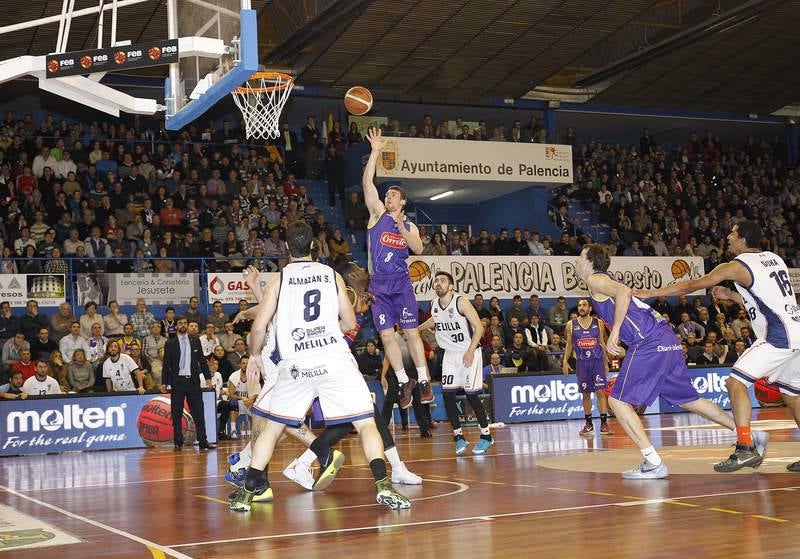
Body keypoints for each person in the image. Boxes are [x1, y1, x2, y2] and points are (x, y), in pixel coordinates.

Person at [229, 221, 409, 512]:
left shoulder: (280, 280)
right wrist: (325, 337)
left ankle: (247, 495)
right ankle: (383, 486)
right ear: (314, 245)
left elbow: (259, 327)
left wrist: (255, 354)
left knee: (272, 429)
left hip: (296, 364)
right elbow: (350, 324)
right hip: (333, 359)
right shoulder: (331, 276)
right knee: (365, 423)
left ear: (288, 247)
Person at [575, 243, 766, 479]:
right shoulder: (604, 280)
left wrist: (615, 332)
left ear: (590, 261)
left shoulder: (595, 279)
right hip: (665, 337)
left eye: (580, 257)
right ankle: (746, 435)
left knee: (617, 401)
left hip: (649, 342)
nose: (576, 261)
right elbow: (625, 300)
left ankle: (653, 462)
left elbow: (623, 292)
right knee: (690, 399)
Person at [636, 221, 797, 472]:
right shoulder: (774, 259)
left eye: (732, 233)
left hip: (779, 335)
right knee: (791, 393)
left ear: (743, 239)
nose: (728, 237)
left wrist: (653, 292)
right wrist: (732, 296)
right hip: (795, 328)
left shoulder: (736, 265)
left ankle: (745, 447)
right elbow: (766, 298)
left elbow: (694, 284)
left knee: (735, 382)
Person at [361, 127, 433, 408]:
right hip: (378, 283)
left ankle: (424, 379)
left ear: (402, 202)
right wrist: (376, 152)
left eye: (393, 195)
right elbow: (368, 183)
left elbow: (418, 249)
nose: (388, 197)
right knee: (386, 335)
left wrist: (403, 227)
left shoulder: (409, 225)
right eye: (387, 194)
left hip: (400, 282)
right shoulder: (377, 214)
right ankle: (404, 380)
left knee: (411, 332)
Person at [420, 271, 494, 455]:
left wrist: (470, 351)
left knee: (471, 395)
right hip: (450, 355)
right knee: (447, 395)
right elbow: (434, 319)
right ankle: (458, 436)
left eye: (442, 281)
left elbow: (479, 327)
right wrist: (415, 329)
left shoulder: (461, 302)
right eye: (436, 281)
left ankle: (486, 436)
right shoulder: (434, 304)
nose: (438, 283)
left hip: (469, 351)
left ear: (451, 286)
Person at [161, 317, 215, 451]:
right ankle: (178, 442)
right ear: (176, 326)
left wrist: (208, 378)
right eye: (180, 323)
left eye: (185, 323)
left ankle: (203, 441)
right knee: (176, 413)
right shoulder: (170, 343)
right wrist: (164, 382)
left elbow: (202, 361)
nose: (183, 325)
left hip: (193, 381)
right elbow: (166, 365)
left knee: (198, 411)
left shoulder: (195, 341)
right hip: (177, 382)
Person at [562, 299, 611, 436]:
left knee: (601, 392)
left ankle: (604, 424)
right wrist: (565, 361)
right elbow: (569, 345)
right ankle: (588, 424)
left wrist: (605, 361)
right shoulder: (571, 325)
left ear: (590, 308)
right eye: (579, 305)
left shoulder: (598, 323)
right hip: (582, 363)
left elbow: (601, 342)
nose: (581, 308)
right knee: (586, 394)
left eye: (584, 305)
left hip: (596, 362)